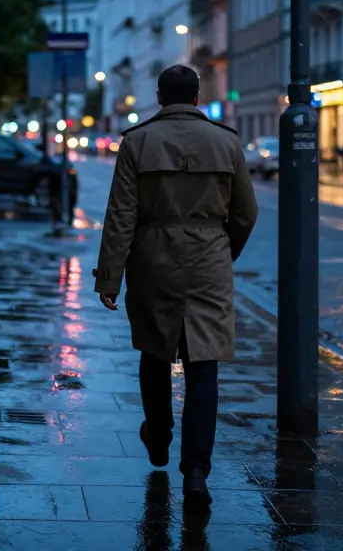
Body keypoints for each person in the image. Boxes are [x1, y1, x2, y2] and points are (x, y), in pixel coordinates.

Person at [92, 64, 258, 506]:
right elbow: (246, 213)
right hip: (209, 261)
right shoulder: (227, 141)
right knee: (204, 364)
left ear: (161, 97)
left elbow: (121, 214)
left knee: (155, 349)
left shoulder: (137, 142)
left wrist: (110, 275)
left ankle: (160, 433)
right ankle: (197, 471)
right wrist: (224, 250)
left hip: (153, 257)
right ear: (198, 97)